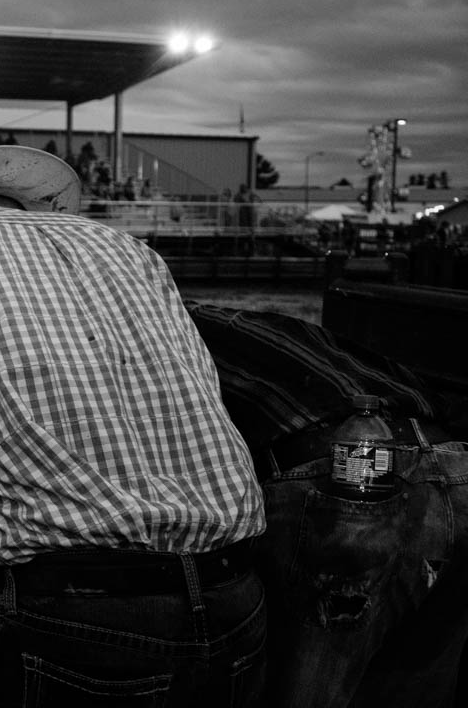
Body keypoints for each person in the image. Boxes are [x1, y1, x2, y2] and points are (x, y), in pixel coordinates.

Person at [0, 145, 267, 706]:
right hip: (235, 589)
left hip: (70, 605)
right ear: (23, 203)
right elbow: (200, 380)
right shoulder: (131, 251)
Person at [186, 300, 468, 708]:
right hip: (454, 461)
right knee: (420, 682)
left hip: (342, 464)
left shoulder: (171, 334)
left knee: (307, 686)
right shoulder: (264, 324)